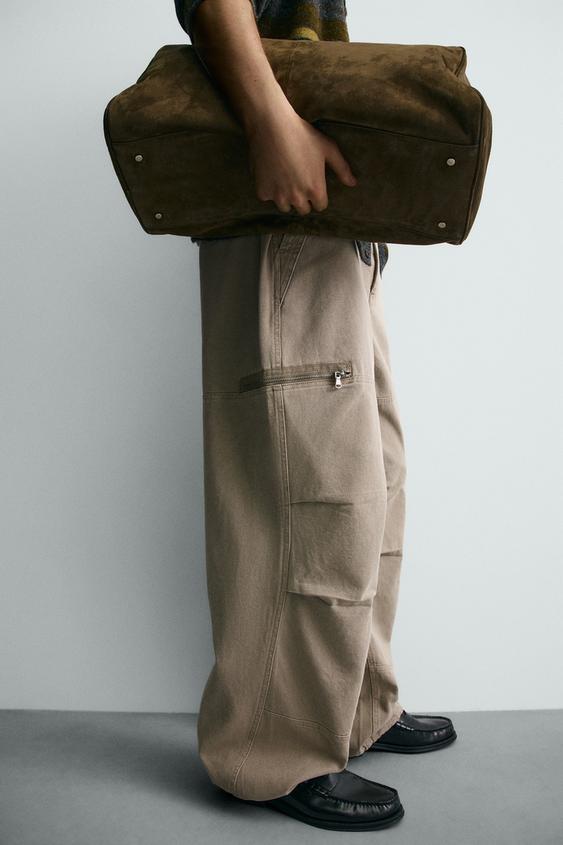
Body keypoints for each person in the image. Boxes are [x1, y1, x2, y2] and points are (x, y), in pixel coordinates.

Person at [173, 0, 457, 832]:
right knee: (305, 489)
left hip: (333, 214)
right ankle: (272, 750)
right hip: (277, 193)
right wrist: (272, 123)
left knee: (372, 475)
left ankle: (354, 702)